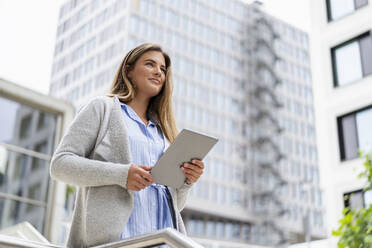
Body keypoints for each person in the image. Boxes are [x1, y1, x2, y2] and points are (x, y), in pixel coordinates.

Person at [50, 43, 205, 248]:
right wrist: (122, 174)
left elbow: (175, 204)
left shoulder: (162, 132)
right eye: (150, 64)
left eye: (162, 69)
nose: (158, 72)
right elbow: (60, 165)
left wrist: (186, 181)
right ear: (128, 71)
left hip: (166, 242)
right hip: (118, 242)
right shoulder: (103, 109)